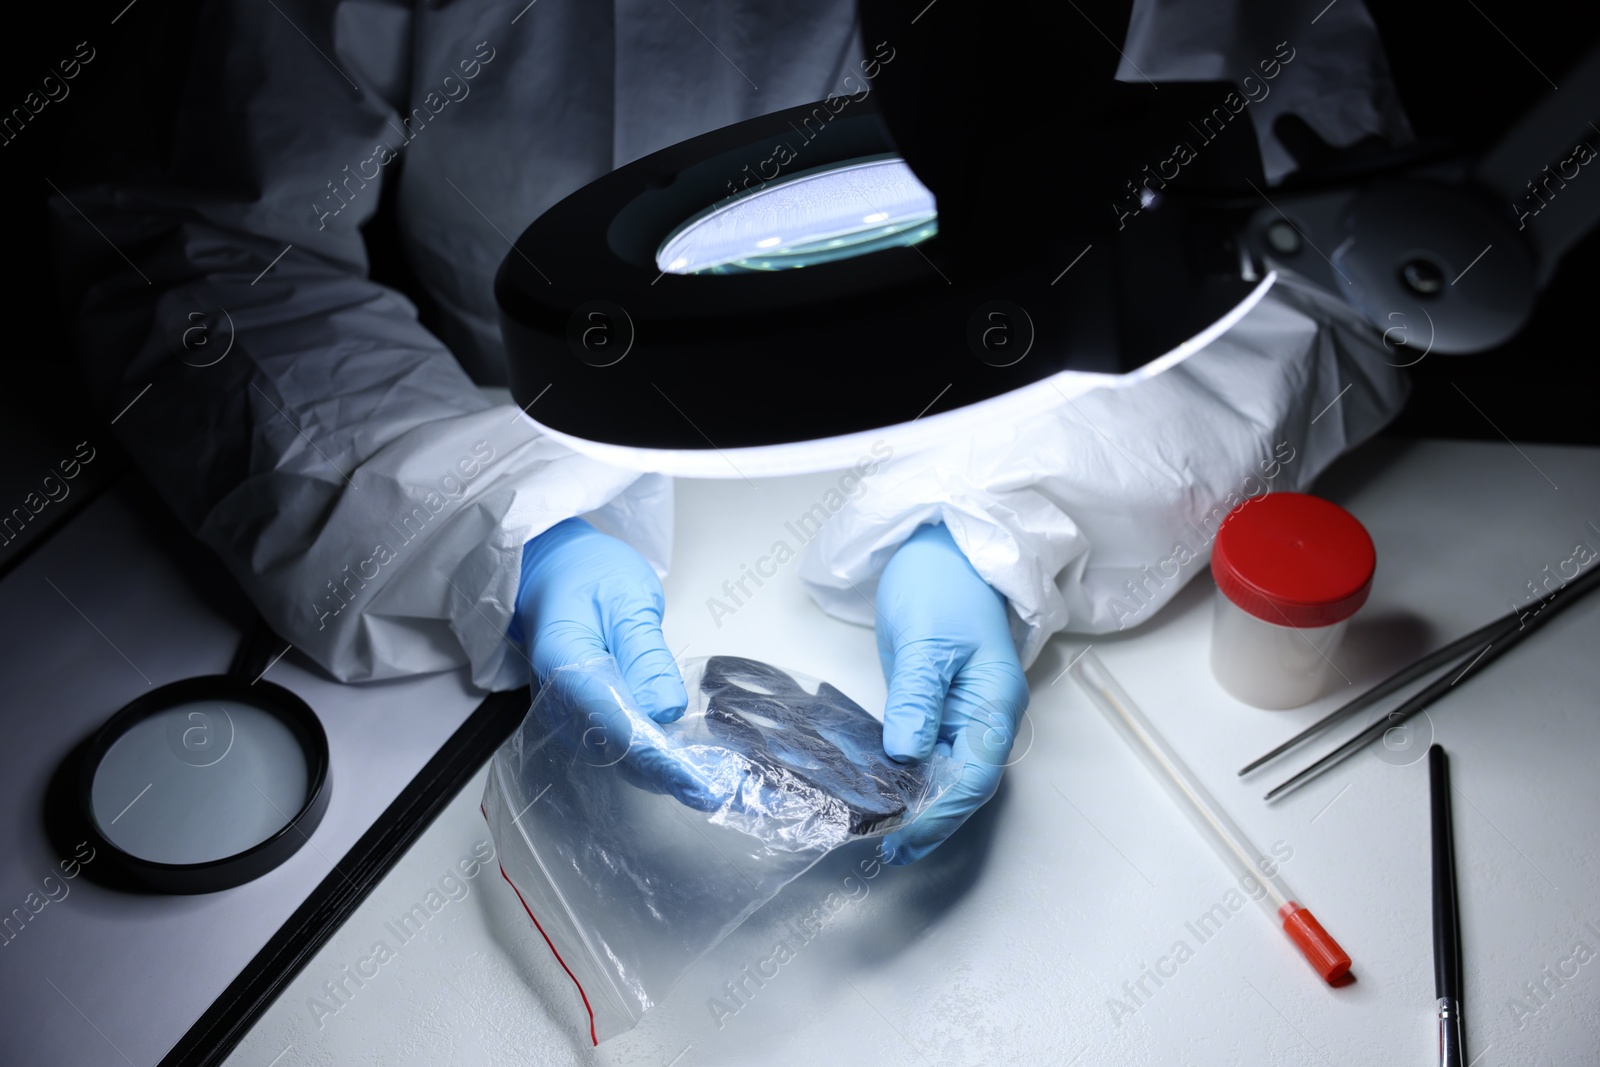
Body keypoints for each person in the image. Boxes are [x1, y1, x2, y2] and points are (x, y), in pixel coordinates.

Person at [52, 0, 1411, 866]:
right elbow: (199, 245)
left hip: (1014, 420)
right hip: (538, 452)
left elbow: (1330, 255)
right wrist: (498, 527)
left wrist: (1010, 516)